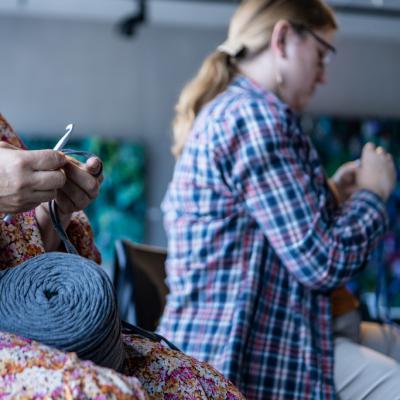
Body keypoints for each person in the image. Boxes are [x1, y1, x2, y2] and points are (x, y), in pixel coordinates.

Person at [159, 0, 399, 399]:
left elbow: (267, 233)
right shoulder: (254, 119)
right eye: (322, 54)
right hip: (246, 355)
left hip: (274, 333)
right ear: (283, 38)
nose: (323, 75)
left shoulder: (239, 112)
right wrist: (374, 193)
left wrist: (333, 193)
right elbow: (323, 261)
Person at [0, 114, 244, 399]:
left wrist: (52, 212)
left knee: (206, 388)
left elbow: (25, 262)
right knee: (104, 393)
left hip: (45, 332)